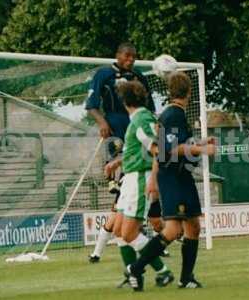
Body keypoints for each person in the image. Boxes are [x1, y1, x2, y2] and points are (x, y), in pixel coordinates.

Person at [126, 71, 216, 291]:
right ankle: (135, 268)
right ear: (189, 91)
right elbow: (175, 150)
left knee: (193, 226)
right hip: (174, 177)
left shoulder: (172, 115)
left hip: (179, 176)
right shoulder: (173, 114)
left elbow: (164, 149)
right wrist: (203, 149)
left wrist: (201, 141)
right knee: (174, 229)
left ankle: (186, 278)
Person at [85, 42, 161, 265]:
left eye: (134, 57)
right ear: (117, 55)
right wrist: (102, 122)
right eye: (127, 56)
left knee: (124, 213)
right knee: (120, 209)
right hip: (119, 137)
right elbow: (91, 105)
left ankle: (106, 254)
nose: (130, 60)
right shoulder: (104, 74)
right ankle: (150, 254)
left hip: (140, 155)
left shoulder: (138, 77)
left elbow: (152, 109)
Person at [104, 80, 174, 288]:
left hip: (139, 178)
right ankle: (134, 275)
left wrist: (153, 179)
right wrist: (117, 161)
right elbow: (140, 148)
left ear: (124, 101)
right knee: (118, 229)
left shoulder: (141, 118)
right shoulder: (138, 118)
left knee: (128, 233)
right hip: (130, 178)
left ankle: (162, 271)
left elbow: (157, 149)